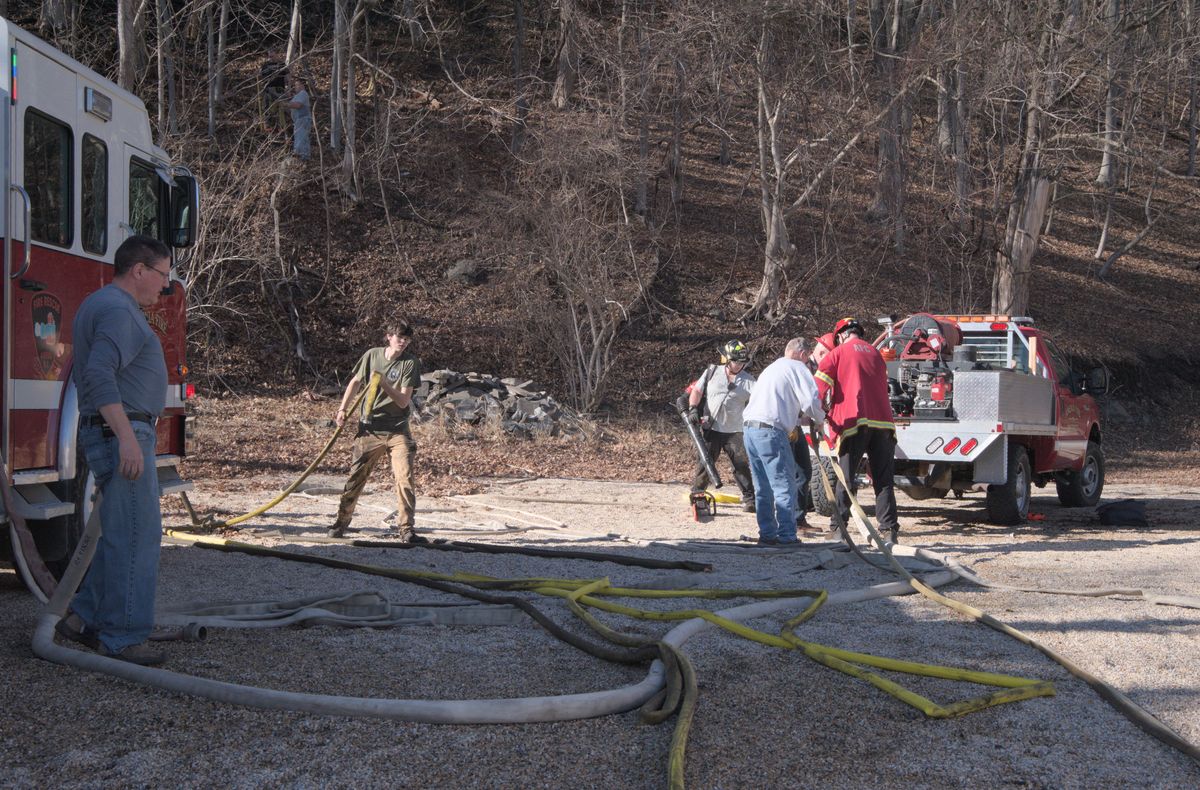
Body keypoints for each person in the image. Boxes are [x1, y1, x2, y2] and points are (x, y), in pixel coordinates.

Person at [56, 235, 173, 666]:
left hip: (115, 431)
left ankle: (82, 617)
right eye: (163, 274)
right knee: (138, 537)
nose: (166, 285)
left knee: (120, 534)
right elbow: (99, 374)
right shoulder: (119, 310)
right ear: (139, 270)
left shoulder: (101, 304)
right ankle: (122, 637)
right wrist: (126, 436)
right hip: (122, 433)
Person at [329, 321, 422, 541]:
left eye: (407, 340)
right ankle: (341, 523)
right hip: (369, 429)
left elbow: (402, 401)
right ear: (389, 336)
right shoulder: (372, 355)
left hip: (398, 430)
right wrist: (342, 409)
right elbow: (355, 382)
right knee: (355, 478)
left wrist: (382, 384)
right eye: (400, 338)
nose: (403, 343)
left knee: (405, 478)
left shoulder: (410, 363)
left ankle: (406, 528)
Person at [815, 317, 900, 543]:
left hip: (855, 422)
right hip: (883, 423)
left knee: (846, 478)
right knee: (883, 480)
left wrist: (815, 413)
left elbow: (818, 388)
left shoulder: (838, 353)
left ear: (841, 335)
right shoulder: (875, 354)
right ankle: (889, 531)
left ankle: (837, 531)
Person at [741, 338, 825, 545]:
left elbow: (780, 402)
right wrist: (821, 420)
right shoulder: (797, 367)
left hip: (750, 429)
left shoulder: (773, 368)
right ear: (803, 355)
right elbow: (811, 400)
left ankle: (768, 535)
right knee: (784, 484)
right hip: (771, 432)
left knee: (763, 487)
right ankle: (787, 536)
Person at [687, 340, 756, 510]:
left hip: (735, 431)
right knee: (705, 462)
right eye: (736, 361)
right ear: (726, 358)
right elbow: (697, 391)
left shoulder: (750, 381)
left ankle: (750, 499)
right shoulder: (711, 372)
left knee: (741, 466)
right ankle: (698, 493)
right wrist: (693, 408)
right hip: (712, 428)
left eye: (742, 362)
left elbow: (758, 403)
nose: (739, 365)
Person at [791, 332, 837, 529]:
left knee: (802, 471)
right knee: (798, 472)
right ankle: (794, 519)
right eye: (827, 353)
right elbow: (809, 399)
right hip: (791, 425)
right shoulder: (804, 368)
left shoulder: (814, 368)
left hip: (797, 424)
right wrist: (819, 417)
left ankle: (798, 518)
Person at [259, 50, 289, 131]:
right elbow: (261, 77)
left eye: (272, 56)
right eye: (269, 56)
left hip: (279, 89)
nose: (270, 58)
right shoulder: (265, 65)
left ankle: (281, 126)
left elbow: (287, 77)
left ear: (277, 55)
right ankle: (268, 126)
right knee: (267, 107)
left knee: (281, 107)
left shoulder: (282, 64)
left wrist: (287, 87)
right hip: (268, 89)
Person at [286, 75, 312, 161]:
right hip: (298, 121)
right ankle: (300, 156)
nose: (295, 87)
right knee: (299, 138)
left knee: (301, 138)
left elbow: (297, 105)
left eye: (297, 85)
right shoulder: (297, 95)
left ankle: (303, 157)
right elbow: (289, 96)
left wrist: (286, 105)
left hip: (303, 119)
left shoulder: (303, 93)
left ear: (302, 85)